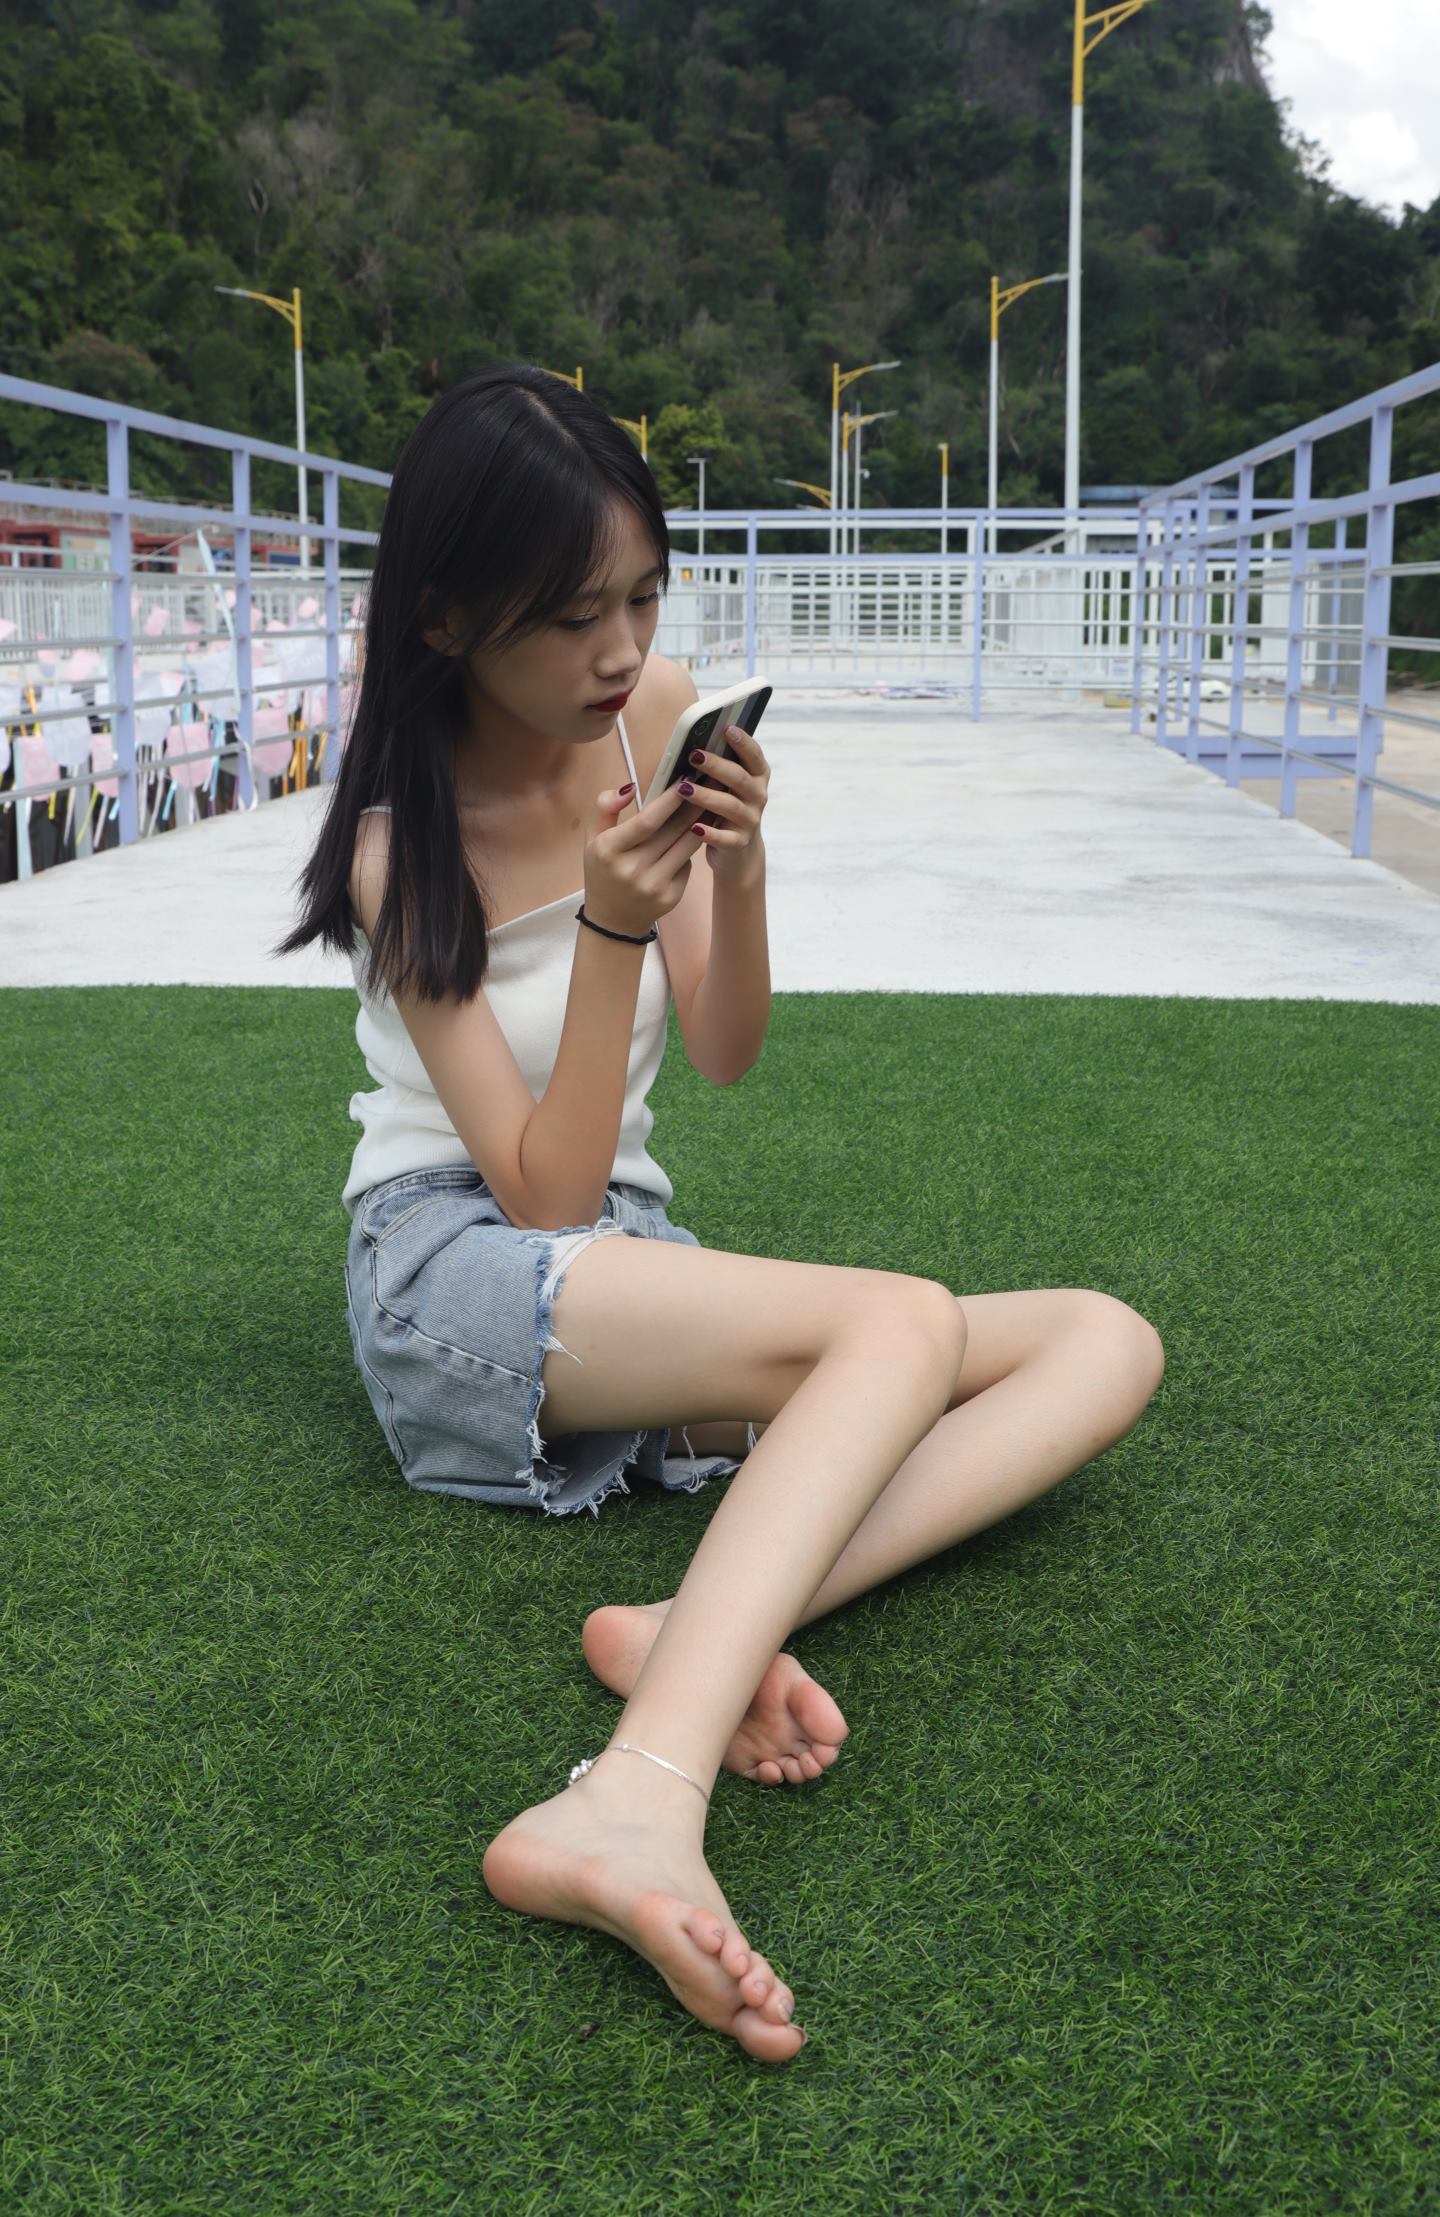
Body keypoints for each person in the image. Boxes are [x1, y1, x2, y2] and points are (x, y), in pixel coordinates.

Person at [277, 363, 1166, 2065]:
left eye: (644, 597)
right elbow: (537, 1191)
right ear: (449, 618)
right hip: (454, 1271)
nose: (622, 650)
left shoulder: (650, 714)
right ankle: (637, 1793)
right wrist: (609, 929)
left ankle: (698, 1627)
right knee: (899, 1323)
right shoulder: (401, 849)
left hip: (626, 1258)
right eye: (573, 616)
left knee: (1100, 1340)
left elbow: (731, 1047)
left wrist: (735, 866)